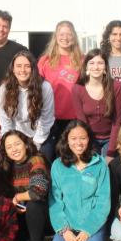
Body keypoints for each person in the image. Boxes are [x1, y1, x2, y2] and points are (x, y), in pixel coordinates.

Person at [47, 121, 111, 241]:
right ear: (66, 140)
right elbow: (55, 202)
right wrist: (64, 230)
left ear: (89, 139)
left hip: (91, 224)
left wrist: (88, 229)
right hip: (67, 225)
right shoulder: (57, 165)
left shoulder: (100, 164)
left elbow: (103, 201)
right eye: (73, 138)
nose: (78, 143)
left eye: (83, 138)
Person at [0, 130, 50, 241]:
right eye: (9, 147)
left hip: (41, 213)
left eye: (17, 144)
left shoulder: (36, 160)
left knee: (33, 205)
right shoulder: (7, 166)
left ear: (25, 144)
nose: (14, 149)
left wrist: (18, 197)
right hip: (19, 212)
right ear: (5, 151)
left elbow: (39, 191)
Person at [0, 50, 55, 161]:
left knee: (41, 162)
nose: (22, 70)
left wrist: (34, 145)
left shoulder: (45, 87)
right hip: (15, 135)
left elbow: (46, 121)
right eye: (18, 66)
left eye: (27, 66)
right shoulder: (4, 89)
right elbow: (5, 122)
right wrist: (12, 143)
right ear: (13, 69)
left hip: (41, 135)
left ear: (33, 69)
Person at [38, 20, 83, 151]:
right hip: (49, 118)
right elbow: (35, 88)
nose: (65, 38)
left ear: (74, 37)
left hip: (73, 119)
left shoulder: (82, 60)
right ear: (56, 37)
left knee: (69, 158)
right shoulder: (45, 60)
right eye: (61, 34)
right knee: (48, 157)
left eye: (69, 34)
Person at [72, 48, 121, 159]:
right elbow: (82, 122)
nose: (96, 67)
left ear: (105, 67)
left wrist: (110, 152)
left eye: (100, 63)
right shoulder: (77, 89)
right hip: (89, 138)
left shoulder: (116, 87)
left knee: (108, 169)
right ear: (86, 66)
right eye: (92, 63)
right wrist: (89, 146)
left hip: (111, 138)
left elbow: (117, 120)